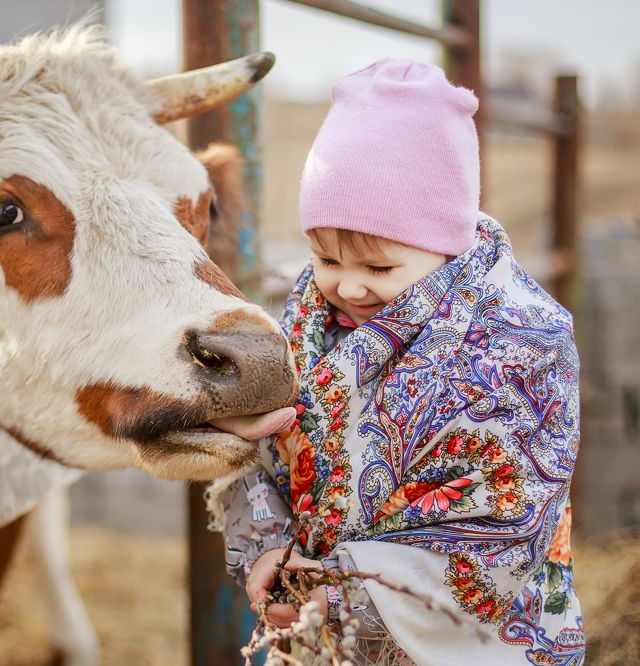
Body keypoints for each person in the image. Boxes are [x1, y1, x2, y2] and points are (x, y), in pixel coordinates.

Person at [213, 59, 584, 665]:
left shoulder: (518, 347)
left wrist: (340, 593)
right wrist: (267, 547)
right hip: (322, 633)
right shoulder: (304, 320)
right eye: (326, 258)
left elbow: (506, 520)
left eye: (378, 268)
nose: (348, 288)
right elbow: (258, 453)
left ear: (446, 238)